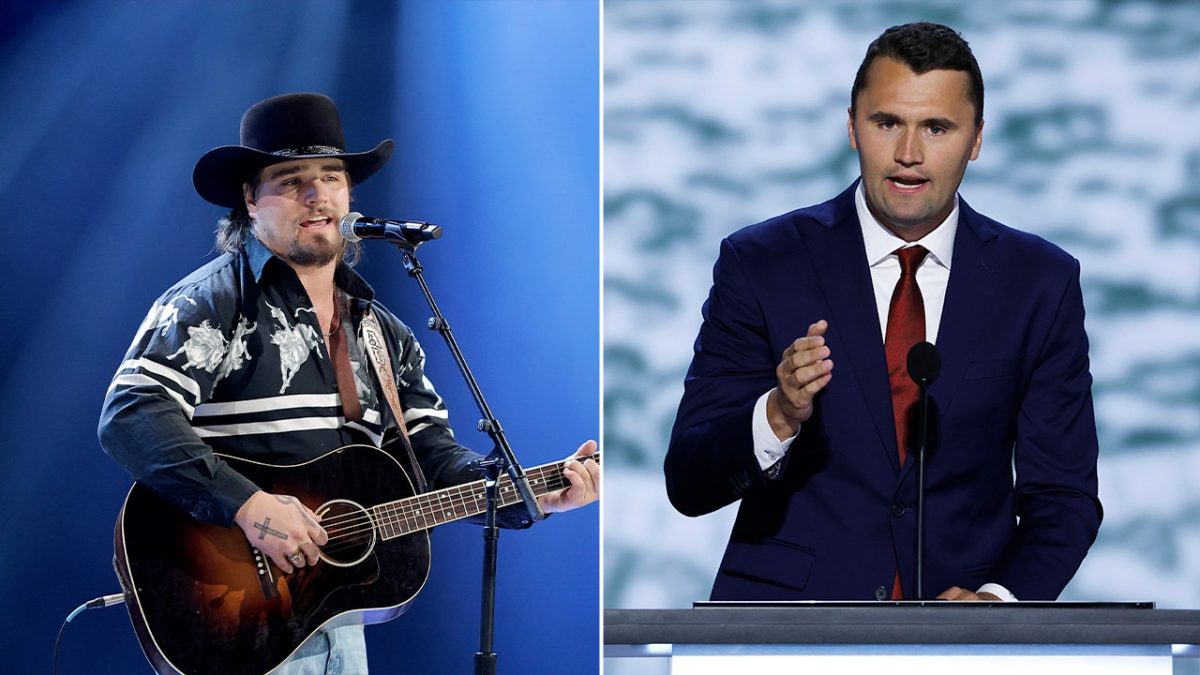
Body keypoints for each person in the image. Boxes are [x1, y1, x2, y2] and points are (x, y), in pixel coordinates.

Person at [98, 92, 599, 672]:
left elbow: (432, 457)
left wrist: (528, 493)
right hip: (231, 616)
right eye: (291, 181)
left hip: (335, 622)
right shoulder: (212, 304)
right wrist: (250, 506)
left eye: (331, 178)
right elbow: (131, 415)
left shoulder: (383, 333)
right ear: (249, 199)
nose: (317, 196)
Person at [664, 22, 1101, 602]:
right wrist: (779, 413)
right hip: (785, 633)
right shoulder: (762, 263)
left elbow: (1064, 498)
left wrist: (998, 603)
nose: (908, 155)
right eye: (887, 122)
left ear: (975, 139)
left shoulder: (1039, 283)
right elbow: (690, 482)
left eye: (937, 128)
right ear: (852, 127)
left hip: (962, 647)